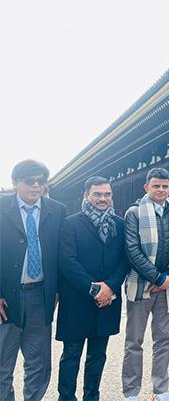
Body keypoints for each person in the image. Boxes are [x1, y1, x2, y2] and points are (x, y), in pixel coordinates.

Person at [56, 176, 129, 401]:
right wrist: (94, 289)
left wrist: (110, 286)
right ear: (86, 195)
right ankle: (66, 397)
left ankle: (92, 396)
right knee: (71, 354)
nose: (102, 198)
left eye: (107, 194)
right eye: (97, 194)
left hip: (108, 299)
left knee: (98, 355)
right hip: (77, 299)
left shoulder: (119, 223)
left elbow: (124, 260)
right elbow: (68, 262)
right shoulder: (70, 223)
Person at [121, 168, 169, 401]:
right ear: (146, 187)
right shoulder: (134, 213)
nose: (161, 190)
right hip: (141, 284)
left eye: (165, 186)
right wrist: (157, 278)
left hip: (168, 286)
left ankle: (160, 389)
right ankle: (131, 392)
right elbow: (132, 250)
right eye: (156, 186)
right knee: (134, 341)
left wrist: (168, 275)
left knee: (163, 339)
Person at [0, 159, 66, 401]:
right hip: (6, 298)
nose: (36, 186)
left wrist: (57, 291)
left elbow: (62, 254)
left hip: (41, 296)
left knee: (38, 363)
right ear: (15, 182)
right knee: (2, 362)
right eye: (30, 181)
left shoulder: (57, 210)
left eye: (41, 182)